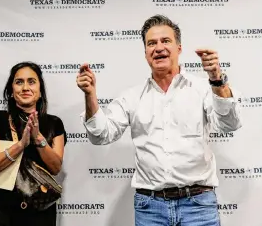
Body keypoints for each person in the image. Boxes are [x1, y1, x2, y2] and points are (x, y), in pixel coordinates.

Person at [76, 14, 241, 226]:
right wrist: (90, 95)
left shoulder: (203, 88)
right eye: (151, 43)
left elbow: (230, 124)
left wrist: (217, 80)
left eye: (166, 41)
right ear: (145, 53)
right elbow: (100, 135)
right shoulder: (132, 97)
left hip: (199, 206)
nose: (158, 47)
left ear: (179, 48)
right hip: (150, 209)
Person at [0, 62, 67, 226]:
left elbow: (55, 167)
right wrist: (21, 144)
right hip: (0, 209)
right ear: (11, 90)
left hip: (40, 209)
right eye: (19, 82)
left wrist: (38, 138)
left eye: (31, 81)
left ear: (40, 91)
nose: (25, 87)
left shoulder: (54, 124)